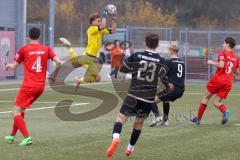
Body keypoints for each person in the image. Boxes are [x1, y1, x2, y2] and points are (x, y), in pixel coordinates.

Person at [106, 33, 167, 158]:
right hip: (149, 98)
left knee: (121, 118)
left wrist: (132, 70)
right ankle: (130, 148)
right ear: (158, 45)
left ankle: (116, 138)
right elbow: (162, 76)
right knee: (139, 123)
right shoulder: (161, 60)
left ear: (145, 43)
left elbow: (122, 70)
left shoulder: (136, 55)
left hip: (134, 94)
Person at [4, 27, 62, 146]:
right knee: (21, 110)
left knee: (15, 111)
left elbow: (14, 66)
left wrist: (8, 65)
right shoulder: (46, 49)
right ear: (39, 36)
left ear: (28, 36)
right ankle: (11, 136)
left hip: (29, 86)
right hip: (40, 87)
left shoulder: (24, 49)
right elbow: (59, 62)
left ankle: (27, 137)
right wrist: (53, 75)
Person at [59, 8, 116, 89]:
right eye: (98, 21)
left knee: (97, 78)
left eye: (100, 20)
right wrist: (104, 15)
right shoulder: (91, 29)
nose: (100, 22)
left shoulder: (101, 31)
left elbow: (113, 31)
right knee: (74, 63)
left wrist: (114, 20)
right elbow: (103, 26)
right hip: (87, 56)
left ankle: (79, 80)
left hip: (91, 59)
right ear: (92, 22)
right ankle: (69, 47)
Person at [191, 37, 239, 125]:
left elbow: (221, 65)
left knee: (206, 97)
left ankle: (198, 119)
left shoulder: (222, 53)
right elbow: (236, 72)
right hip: (228, 82)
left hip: (218, 80)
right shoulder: (236, 57)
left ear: (228, 44)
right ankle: (225, 111)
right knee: (216, 102)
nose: (223, 45)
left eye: (224, 43)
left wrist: (211, 62)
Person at [149, 44, 185, 126]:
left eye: (168, 51)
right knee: (165, 99)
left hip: (172, 89)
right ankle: (165, 121)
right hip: (181, 90)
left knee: (151, 100)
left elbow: (162, 76)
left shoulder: (169, 62)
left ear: (171, 51)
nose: (168, 52)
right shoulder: (182, 62)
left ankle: (157, 117)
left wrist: (167, 84)